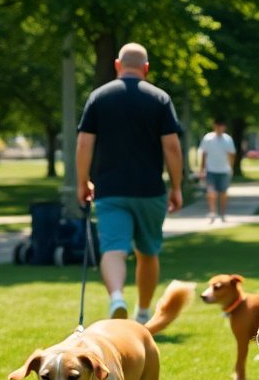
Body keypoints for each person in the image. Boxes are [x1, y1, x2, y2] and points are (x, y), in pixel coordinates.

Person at [76, 42, 184, 322]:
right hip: (150, 191)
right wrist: (176, 187)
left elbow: (84, 144)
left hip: (109, 189)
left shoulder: (98, 97)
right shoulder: (160, 99)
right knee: (147, 252)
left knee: (113, 249)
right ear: (146, 68)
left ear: (117, 65)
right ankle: (143, 313)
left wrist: (82, 182)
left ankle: (116, 297)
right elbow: (172, 147)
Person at [197, 117, 235, 223]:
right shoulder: (208, 138)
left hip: (224, 170)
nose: (220, 128)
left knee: (223, 193)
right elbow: (204, 154)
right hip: (211, 169)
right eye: (218, 126)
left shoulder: (228, 139)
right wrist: (202, 169)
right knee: (211, 193)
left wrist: (231, 168)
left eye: (222, 126)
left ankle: (222, 213)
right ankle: (212, 212)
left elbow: (231, 155)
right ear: (214, 126)